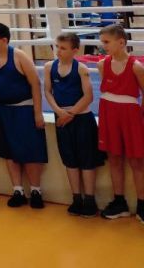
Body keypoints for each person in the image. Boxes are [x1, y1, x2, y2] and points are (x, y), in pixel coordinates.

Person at [0, 22, 48, 209]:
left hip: (23, 110)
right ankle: (17, 190)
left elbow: (36, 84)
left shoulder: (19, 56)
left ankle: (36, 191)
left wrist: (38, 113)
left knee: (30, 152)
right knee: (8, 152)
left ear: (4, 40)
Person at [43, 32, 103, 217]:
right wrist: (58, 111)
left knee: (87, 160)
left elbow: (88, 96)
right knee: (69, 159)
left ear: (75, 51)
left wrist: (70, 114)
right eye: (57, 47)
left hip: (81, 119)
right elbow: (48, 92)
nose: (58, 51)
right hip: (62, 118)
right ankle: (76, 198)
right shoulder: (49, 67)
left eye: (63, 48)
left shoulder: (81, 68)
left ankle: (90, 200)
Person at [95, 25, 144, 221]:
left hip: (130, 116)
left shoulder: (136, 67)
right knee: (114, 158)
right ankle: (119, 202)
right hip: (109, 114)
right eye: (102, 42)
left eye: (106, 42)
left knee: (137, 161)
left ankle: (142, 204)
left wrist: (140, 118)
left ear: (121, 42)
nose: (103, 46)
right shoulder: (102, 65)